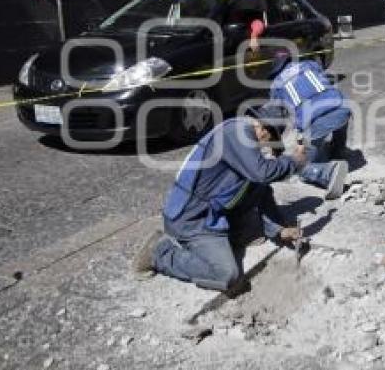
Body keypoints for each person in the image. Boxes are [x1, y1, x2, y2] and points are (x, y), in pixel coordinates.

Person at [131, 110, 306, 291]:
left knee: (258, 192)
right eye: (268, 144)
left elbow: (260, 187)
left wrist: (279, 230)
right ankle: (159, 253)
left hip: (212, 211)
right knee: (226, 274)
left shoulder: (239, 138)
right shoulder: (236, 133)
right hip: (191, 220)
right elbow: (262, 173)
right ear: (263, 130)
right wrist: (294, 161)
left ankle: (236, 234)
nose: (265, 150)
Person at [266, 53, 350, 199]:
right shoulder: (309, 65)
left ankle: (328, 173)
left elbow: (277, 119)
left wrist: (277, 148)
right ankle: (339, 151)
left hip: (316, 122)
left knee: (301, 166)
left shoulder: (276, 86)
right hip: (343, 109)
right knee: (338, 114)